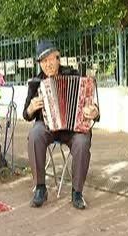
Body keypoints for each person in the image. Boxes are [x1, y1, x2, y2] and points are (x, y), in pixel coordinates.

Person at [23, 40, 99, 209]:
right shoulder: (36, 83)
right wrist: (31, 108)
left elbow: (91, 104)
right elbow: (26, 115)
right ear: (39, 64)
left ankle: (77, 192)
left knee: (82, 141)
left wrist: (95, 112)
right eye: (43, 61)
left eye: (51, 59)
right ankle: (40, 188)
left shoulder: (74, 75)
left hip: (73, 128)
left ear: (58, 59)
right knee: (35, 133)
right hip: (48, 128)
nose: (48, 64)